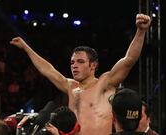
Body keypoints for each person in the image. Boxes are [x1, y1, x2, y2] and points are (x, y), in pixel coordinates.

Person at [10, 13, 151, 135]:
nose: (74, 66)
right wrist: (26, 48)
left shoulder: (105, 84)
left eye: (80, 62)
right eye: (72, 63)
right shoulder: (71, 87)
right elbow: (47, 69)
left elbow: (129, 60)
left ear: (93, 66)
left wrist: (140, 31)